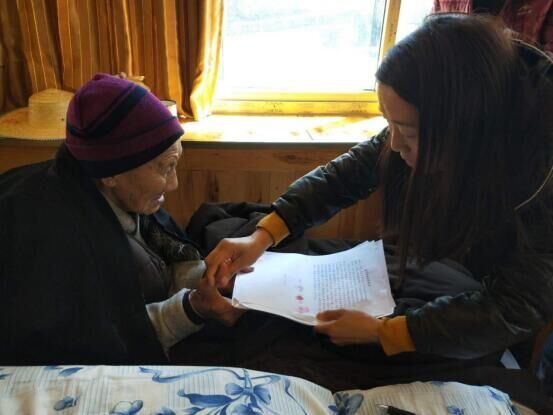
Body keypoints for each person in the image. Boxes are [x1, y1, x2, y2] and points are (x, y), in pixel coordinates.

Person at [205, 14, 553, 361]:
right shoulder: (444, 116)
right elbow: (350, 173)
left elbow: (515, 307)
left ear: (465, 129)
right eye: (390, 124)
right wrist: (263, 234)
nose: (395, 145)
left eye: (409, 133)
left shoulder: (541, 181)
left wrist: (382, 332)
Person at [0, 73, 244, 365]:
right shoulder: (55, 239)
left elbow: (160, 264)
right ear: (111, 174)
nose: (174, 184)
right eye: (166, 168)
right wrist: (194, 308)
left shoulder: (111, 186)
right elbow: (103, 341)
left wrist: (212, 277)